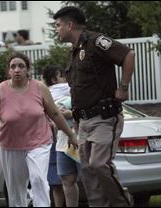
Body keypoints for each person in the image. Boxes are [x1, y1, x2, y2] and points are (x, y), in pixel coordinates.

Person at [53, 6, 135, 207]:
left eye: (58, 25)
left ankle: (123, 203)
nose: (57, 30)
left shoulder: (96, 41)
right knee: (88, 171)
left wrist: (123, 88)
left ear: (69, 25)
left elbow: (128, 55)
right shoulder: (73, 53)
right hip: (83, 122)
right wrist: (76, 121)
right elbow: (79, 90)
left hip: (104, 118)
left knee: (100, 164)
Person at [0, 52, 77, 207]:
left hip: (38, 143)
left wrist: (70, 135)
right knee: (16, 189)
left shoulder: (39, 88)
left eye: (21, 66)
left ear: (28, 70)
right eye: (13, 67)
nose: (17, 70)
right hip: (11, 145)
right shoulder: (0, 90)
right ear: (9, 71)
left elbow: (54, 113)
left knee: (38, 179)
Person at [42, 65, 79, 207]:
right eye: (62, 76)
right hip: (61, 141)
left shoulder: (73, 88)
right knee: (66, 179)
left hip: (79, 136)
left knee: (89, 178)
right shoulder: (47, 94)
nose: (65, 79)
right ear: (53, 79)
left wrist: (70, 113)